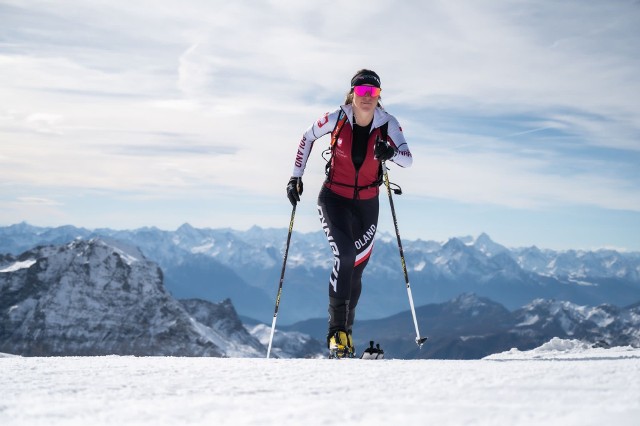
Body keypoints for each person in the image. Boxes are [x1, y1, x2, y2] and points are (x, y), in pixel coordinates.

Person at [286, 69, 413, 358]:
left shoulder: (388, 123)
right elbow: (306, 138)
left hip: (368, 204)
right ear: (352, 93)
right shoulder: (336, 117)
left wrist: (390, 152)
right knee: (344, 256)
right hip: (334, 198)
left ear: (379, 95)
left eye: (373, 92)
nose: (367, 97)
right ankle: (336, 333)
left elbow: (408, 158)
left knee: (356, 269)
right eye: (362, 91)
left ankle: (347, 339)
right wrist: (296, 176)